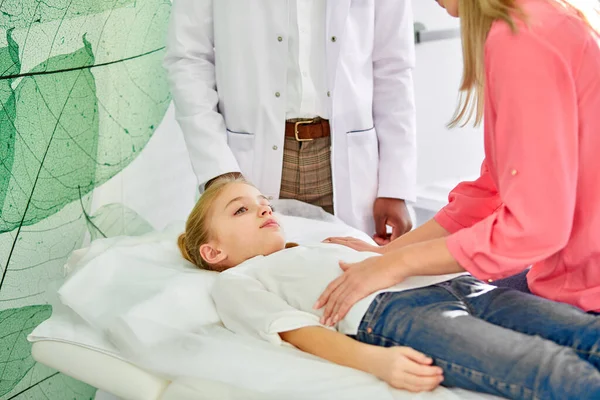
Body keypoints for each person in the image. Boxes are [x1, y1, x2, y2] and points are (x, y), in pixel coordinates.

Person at [177, 177, 600, 399]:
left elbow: (393, 259)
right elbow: (294, 329)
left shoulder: (318, 245)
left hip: (454, 283)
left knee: (578, 330)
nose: (264, 208)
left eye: (262, 200)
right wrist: (373, 361)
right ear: (213, 252)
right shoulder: (239, 281)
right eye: (241, 209)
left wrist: (377, 253)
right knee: (541, 364)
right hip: (396, 316)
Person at [314, 0, 600, 322]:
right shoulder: (535, 19)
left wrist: (396, 264)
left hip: (585, 295)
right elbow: (492, 190)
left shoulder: (523, 38)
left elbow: (533, 228)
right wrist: (388, 254)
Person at [164, 0, 417, 242]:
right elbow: (189, 59)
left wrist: (395, 186)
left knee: (350, 276)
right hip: (247, 164)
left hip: (348, 161)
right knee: (254, 278)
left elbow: (393, 67)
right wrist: (218, 169)